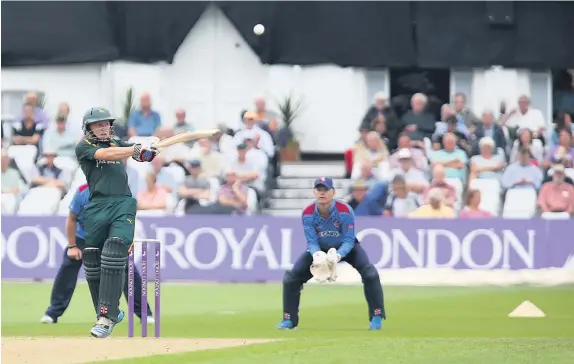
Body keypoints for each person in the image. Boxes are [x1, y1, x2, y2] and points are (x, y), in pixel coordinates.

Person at [75, 107, 159, 338]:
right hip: (97, 206)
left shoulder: (118, 142)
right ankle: (109, 311)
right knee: (92, 257)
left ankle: (106, 318)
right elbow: (109, 155)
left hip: (122, 204)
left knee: (114, 249)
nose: (103, 127)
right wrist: (133, 148)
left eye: (106, 123)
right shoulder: (85, 147)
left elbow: (140, 156)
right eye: (97, 124)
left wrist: (149, 152)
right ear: (89, 128)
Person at [276, 177, 386, 331]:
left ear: (333, 192)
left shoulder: (345, 210)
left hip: (345, 248)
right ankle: (288, 319)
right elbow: (312, 241)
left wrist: (338, 255)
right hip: (320, 249)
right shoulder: (308, 213)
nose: (322, 193)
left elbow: (349, 239)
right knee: (291, 278)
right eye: (319, 190)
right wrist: (317, 255)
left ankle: (376, 315)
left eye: (325, 190)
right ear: (314, 192)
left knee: (370, 273)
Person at [40, 184, 153, 324]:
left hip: (109, 237)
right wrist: (72, 246)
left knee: (128, 271)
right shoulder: (83, 192)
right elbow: (71, 219)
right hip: (83, 237)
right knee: (67, 269)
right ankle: (52, 313)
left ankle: (144, 314)